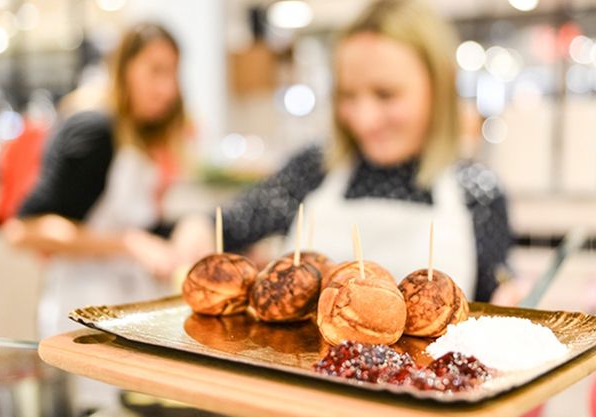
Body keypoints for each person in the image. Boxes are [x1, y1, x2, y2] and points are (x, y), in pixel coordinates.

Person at [180, 0, 512, 305]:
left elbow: (494, 293)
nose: (364, 120)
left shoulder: (476, 191)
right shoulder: (314, 168)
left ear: (438, 89)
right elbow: (231, 224)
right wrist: (196, 228)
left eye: (385, 94)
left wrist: (511, 294)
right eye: (348, 96)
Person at [3, 23, 191, 339]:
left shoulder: (138, 136)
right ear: (124, 69)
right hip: (83, 312)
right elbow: (24, 230)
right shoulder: (94, 132)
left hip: (130, 309)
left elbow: (134, 221)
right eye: (155, 71)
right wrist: (130, 244)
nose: (168, 89)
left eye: (172, 73)